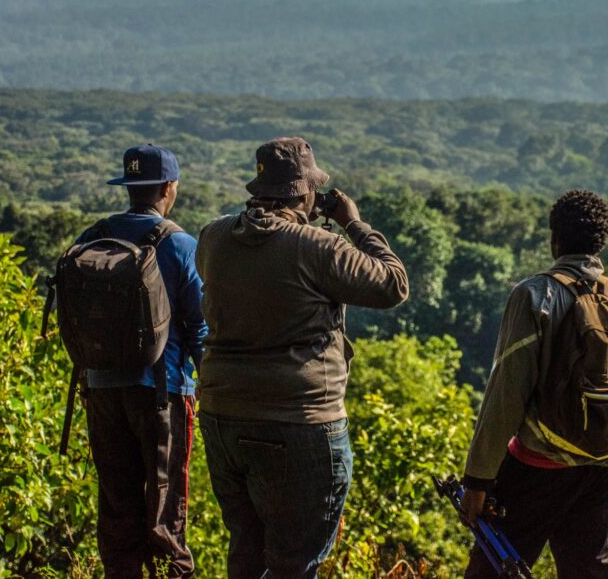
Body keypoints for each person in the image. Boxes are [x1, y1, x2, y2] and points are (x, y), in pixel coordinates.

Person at [196, 136, 409, 577]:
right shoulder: (316, 247)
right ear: (305, 191)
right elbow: (393, 285)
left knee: (247, 552)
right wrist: (354, 223)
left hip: (223, 415)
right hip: (300, 420)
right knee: (295, 563)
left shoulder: (214, 237)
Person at [460, 189, 608, 579]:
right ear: (602, 241)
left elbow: (505, 394)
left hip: (538, 465)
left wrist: (477, 480)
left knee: (494, 568)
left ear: (555, 239)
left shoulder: (534, 296)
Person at [84, 144, 207, 578]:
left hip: (99, 389)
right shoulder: (178, 244)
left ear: (129, 187)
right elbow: (199, 325)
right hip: (162, 393)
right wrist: (211, 384)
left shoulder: (92, 237)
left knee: (117, 508)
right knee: (166, 508)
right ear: (169, 188)